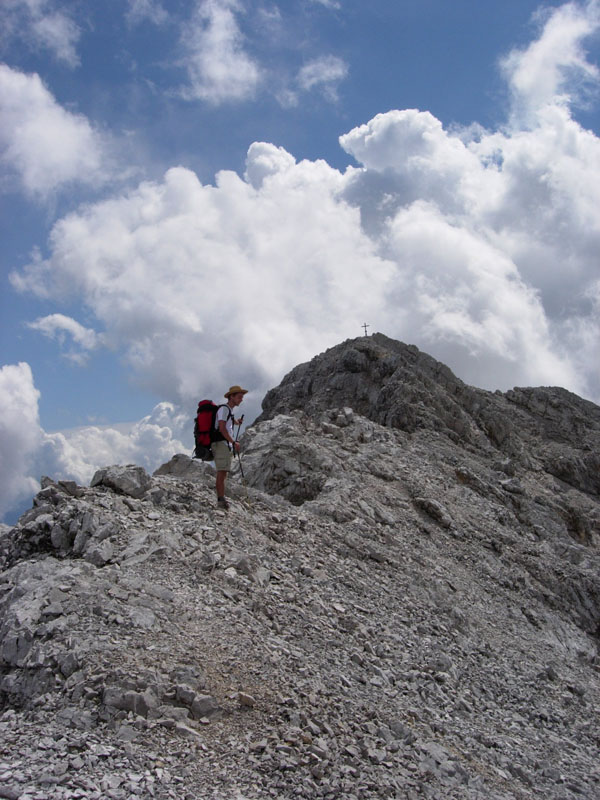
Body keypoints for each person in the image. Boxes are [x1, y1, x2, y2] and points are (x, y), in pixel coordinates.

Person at [213, 385, 247, 509]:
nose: (241, 399)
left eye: (242, 397)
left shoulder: (229, 411)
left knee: (223, 472)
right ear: (231, 396)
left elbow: (227, 422)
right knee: (222, 472)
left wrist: (236, 422)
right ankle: (221, 501)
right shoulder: (224, 409)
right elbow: (222, 428)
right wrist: (233, 442)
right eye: (239, 397)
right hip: (221, 443)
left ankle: (221, 499)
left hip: (224, 444)